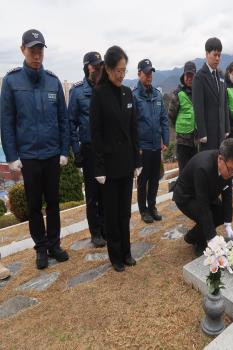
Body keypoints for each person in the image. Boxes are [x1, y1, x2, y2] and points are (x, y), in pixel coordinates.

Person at [0, 29, 70, 270]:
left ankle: (54, 244)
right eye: (32, 50)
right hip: (29, 157)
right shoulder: (11, 81)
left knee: (53, 203)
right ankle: (40, 248)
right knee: (33, 206)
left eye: (40, 50)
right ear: (23, 50)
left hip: (51, 154)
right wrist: (11, 157)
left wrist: (63, 150)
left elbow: (63, 119)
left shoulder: (53, 81)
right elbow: (6, 123)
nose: (37, 54)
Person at [90, 46, 139, 272]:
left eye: (124, 70)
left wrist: (137, 160)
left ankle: (127, 252)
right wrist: (98, 167)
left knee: (125, 212)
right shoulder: (99, 94)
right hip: (108, 167)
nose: (121, 74)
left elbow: (133, 129)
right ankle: (115, 256)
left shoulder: (128, 93)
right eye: (118, 70)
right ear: (108, 69)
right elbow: (96, 133)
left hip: (126, 163)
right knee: (111, 214)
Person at [173, 138, 233, 255]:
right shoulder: (203, 168)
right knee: (205, 216)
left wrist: (228, 224)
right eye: (231, 170)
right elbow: (203, 206)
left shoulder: (228, 167)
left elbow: (227, 194)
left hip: (206, 193)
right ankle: (200, 244)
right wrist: (212, 237)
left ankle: (191, 236)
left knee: (221, 214)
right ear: (220, 159)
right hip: (186, 196)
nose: (232, 174)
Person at [69, 51, 106, 248]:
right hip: (89, 149)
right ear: (87, 68)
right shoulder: (76, 92)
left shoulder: (105, 88)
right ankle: (96, 232)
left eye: (100, 65)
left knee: (106, 192)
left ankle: (106, 227)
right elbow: (71, 123)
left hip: (106, 150)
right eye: (94, 66)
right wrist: (77, 151)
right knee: (92, 195)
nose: (98, 68)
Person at [133, 59, 169, 224]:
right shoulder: (134, 96)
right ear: (139, 73)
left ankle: (152, 206)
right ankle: (143, 210)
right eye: (146, 73)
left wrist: (166, 140)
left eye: (150, 73)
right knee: (143, 180)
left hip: (156, 145)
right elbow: (131, 124)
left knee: (155, 178)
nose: (149, 76)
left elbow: (164, 119)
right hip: (143, 147)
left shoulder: (157, 94)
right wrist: (136, 147)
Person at [192, 37, 230, 151]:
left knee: (220, 163)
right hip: (208, 134)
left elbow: (224, 104)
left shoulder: (221, 77)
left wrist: (227, 127)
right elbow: (198, 107)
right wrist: (202, 133)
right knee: (209, 165)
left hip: (221, 132)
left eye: (219, 55)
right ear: (207, 53)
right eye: (215, 54)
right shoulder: (199, 77)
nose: (217, 58)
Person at [168, 61, 197, 173]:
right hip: (183, 140)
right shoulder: (178, 93)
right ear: (184, 76)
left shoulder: (198, 91)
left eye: (192, 76)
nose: (190, 78)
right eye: (187, 76)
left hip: (197, 139)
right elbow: (171, 115)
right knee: (184, 170)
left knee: (195, 168)